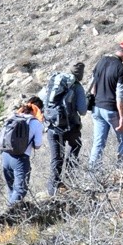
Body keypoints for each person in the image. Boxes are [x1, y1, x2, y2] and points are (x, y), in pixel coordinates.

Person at [42, 61, 89, 195]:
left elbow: (43, 100)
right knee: (76, 146)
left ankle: (52, 189)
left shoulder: (55, 81)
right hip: (71, 126)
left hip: (52, 125)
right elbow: (83, 110)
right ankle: (70, 178)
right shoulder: (76, 86)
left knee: (56, 158)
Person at [88, 40, 123, 168]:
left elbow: (92, 86)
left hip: (97, 108)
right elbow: (120, 96)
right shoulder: (121, 69)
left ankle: (93, 174)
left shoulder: (102, 61)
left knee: (98, 143)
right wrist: (121, 118)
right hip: (111, 109)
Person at [0, 98, 45, 206]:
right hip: (20, 158)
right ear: (38, 109)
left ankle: (13, 216)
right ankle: (7, 215)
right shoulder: (36, 123)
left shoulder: (13, 116)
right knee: (20, 189)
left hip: (5, 155)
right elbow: (37, 145)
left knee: (11, 188)